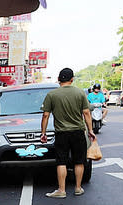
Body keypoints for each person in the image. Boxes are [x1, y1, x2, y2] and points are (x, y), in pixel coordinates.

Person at [40, 67, 95, 198]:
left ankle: (61, 190)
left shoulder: (52, 95)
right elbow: (86, 112)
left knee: (61, 161)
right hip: (78, 132)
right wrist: (91, 130)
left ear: (59, 79)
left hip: (61, 133)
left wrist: (43, 133)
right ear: (72, 79)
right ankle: (78, 188)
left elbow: (46, 115)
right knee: (79, 161)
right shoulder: (80, 93)